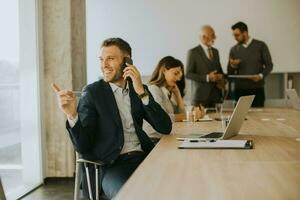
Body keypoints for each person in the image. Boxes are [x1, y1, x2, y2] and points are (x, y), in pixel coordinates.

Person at [52, 38, 172, 199]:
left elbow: (165, 127)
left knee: (174, 186)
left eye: (110, 59)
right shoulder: (93, 93)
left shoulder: (138, 90)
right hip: (112, 165)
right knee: (132, 195)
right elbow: (83, 146)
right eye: (102, 59)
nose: (104, 65)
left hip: (144, 158)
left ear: (127, 61)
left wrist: (142, 92)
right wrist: (72, 115)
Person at [227, 21, 273, 107]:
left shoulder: (261, 45)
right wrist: (233, 66)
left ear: (245, 33)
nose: (234, 38)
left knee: (258, 117)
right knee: (241, 118)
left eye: (237, 35)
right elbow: (230, 72)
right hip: (240, 90)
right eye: (233, 35)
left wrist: (260, 76)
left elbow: (269, 65)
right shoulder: (233, 50)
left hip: (257, 89)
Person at [186, 25, 225, 108]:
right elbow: (188, 74)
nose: (215, 37)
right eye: (212, 35)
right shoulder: (193, 52)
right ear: (203, 37)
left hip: (216, 96)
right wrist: (207, 77)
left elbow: (220, 70)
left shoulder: (216, 52)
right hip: (200, 97)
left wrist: (220, 76)